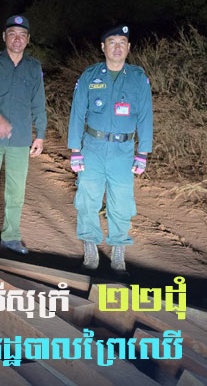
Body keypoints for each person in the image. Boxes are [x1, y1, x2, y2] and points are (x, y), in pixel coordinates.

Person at [67, 25, 153, 272]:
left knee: (122, 202)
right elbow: (77, 113)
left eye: (122, 42)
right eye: (112, 42)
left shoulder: (138, 78)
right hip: (92, 148)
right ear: (103, 47)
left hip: (123, 151)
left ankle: (118, 251)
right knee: (87, 199)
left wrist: (142, 153)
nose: (117, 47)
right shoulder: (90, 76)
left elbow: (145, 116)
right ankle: (90, 247)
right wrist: (75, 150)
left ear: (129, 47)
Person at [0, 15, 46, 255]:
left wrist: (40, 134)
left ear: (28, 39)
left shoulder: (34, 67)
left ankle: (11, 237)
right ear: (4, 36)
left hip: (20, 137)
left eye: (22, 35)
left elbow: (38, 102)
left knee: (16, 190)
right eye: (12, 34)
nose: (17, 39)